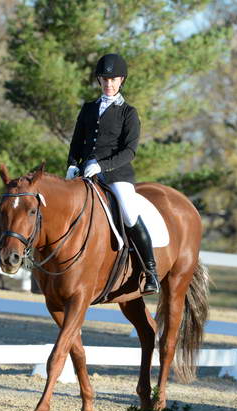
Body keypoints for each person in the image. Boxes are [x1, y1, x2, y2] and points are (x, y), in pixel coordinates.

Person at [66, 53, 159, 294]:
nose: (109, 84)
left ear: (121, 81)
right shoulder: (88, 109)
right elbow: (76, 142)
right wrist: (72, 164)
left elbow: (130, 151)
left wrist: (102, 166)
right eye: (105, 80)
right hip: (85, 173)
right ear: (99, 80)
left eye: (114, 80)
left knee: (128, 212)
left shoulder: (128, 112)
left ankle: (150, 271)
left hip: (118, 175)